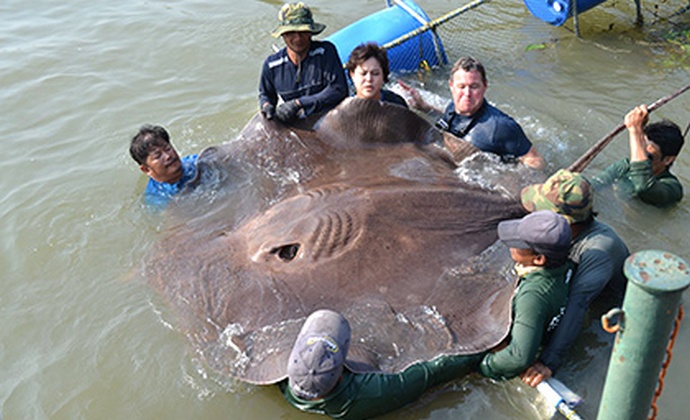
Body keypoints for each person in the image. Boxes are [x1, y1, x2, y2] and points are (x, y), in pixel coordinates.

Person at [519, 169, 630, 387]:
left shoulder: (598, 251)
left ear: (565, 222)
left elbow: (578, 305)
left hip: (609, 311)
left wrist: (549, 361)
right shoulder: (567, 234)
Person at [280, 309, 483, 420]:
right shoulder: (375, 391)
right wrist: (484, 349)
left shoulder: (278, 379)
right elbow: (434, 371)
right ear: (340, 374)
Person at [399, 56, 545, 169]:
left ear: (485, 86)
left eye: (474, 86)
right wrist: (423, 107)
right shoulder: (453, 107)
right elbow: (452, 121)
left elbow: (535, 160)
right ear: (451, 86)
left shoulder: (500, 127)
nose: (467, 93)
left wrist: (508, 181)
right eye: (461, 86)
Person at [479, 210, 573, 380]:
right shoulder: (567, 264)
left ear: (538, 259)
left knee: (440, 365)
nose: (511, 245)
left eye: (518, 244)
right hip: (541, 323)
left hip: (517, 341)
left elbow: (519, 357)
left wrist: (488, 365)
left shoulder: (532, 296)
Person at [259, 2, 348, 124]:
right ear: (283, 35)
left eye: (303, 32)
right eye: (291, 33)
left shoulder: (325, 52)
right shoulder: (271, 65)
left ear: (310, 32)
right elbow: (266, 94)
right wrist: (266, 105)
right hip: (296, 122)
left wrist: (299, 103)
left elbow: (338, 89)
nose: (297, 38)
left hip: (328, 119)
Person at [592, 104, 684, 207]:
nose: (640, 157)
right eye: (639, 150)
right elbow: (594, 186)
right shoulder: (625, 167)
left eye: (648, 156)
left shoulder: (672, 188)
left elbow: (643, 187)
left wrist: (635, 131)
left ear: (668, 159)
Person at [129, 124, 198, 207]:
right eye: (157, 156)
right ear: (146, 170)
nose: (168, 156)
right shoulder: (157, 199)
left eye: (168, 149)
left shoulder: (197, 162)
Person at [344, 42, 407, 107]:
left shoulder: (396, 103)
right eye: (363, 74)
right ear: (352, 75)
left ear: (383, 75)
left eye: (375, 73)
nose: (369, 79)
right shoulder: (344, 111)